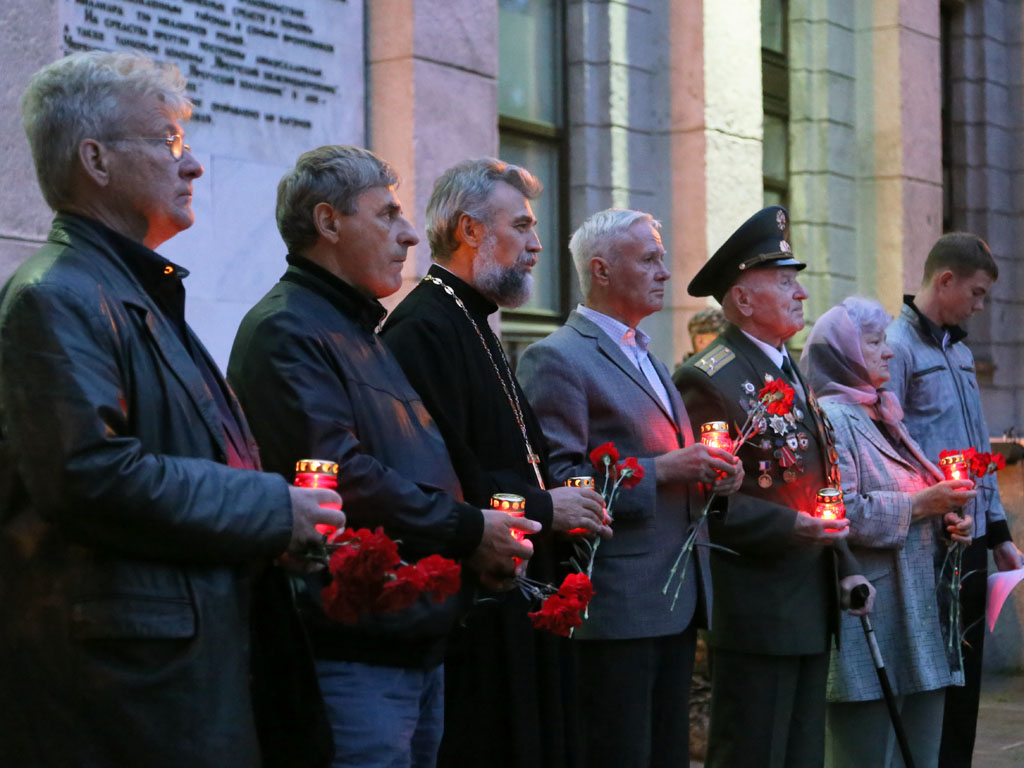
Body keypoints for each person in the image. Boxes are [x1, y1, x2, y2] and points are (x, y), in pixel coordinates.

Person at [0, 51, 344, 767]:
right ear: (95, 159)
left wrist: (278, 531)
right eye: (167, 142)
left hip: (187, 672)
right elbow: (89, 474)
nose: (191, 166)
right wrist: (272, 507)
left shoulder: (135, 291)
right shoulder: (52, 296)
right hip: (132, 696)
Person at [227, 145, 538, 768]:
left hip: (409, 634)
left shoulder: (358, 328)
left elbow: (416, 458)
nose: (410, 236)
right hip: (352, 643)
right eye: (388, 215)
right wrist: (470, 527)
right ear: (328, 222)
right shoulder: (287, 329)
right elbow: (342, 472)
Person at [382, 157, 609, 768]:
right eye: (523, 226)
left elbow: (517, 451)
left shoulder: (472, 319)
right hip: (478, 607)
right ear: (471, 230)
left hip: (522, 591)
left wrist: (569, 491)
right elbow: (440, 474)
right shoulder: (423, 328)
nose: (537, 245)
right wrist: (543, 507)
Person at [517, 208, 743, 768]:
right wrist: (669, 469)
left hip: (674, 598)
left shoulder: (646, 353)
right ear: (601, 270)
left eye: (660, 256)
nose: (665, 270)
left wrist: (718, 477)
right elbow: (561, 483)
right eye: (648, 258)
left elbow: (677, 468)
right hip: (616, 607)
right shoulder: (557, 357)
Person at [672, 205, 875, 768]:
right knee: (752, 752)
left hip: (809, 600)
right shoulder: (707, 377)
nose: (801, 295)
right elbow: (704, 503)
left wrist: (846, 562)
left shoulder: (788, 368)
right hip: (756, 608)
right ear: (742, 299)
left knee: (802, 754)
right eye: (786, 282)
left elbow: (818, 480)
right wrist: (793, 526)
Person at [800, 297, 976, 768]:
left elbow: (916, 492)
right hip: (873, 615)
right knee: (865, 752)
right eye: (875, 343)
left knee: (918, 749)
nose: (889, 352)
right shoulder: (836, 420)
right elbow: (843, 512)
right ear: (844, 353)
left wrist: (948, 521)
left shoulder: (883, 412)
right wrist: (923, 504)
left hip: (913, 613)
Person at [886, 232, 1024, 767]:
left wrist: (1000, 538)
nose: (980, 306)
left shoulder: (960, 351)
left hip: (971, 541)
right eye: (977, 293)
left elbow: (976, 448)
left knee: (967, 680)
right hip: (927, 541)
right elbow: (891, 448)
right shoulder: (896, 348)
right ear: (945, 280)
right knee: (932, 683)